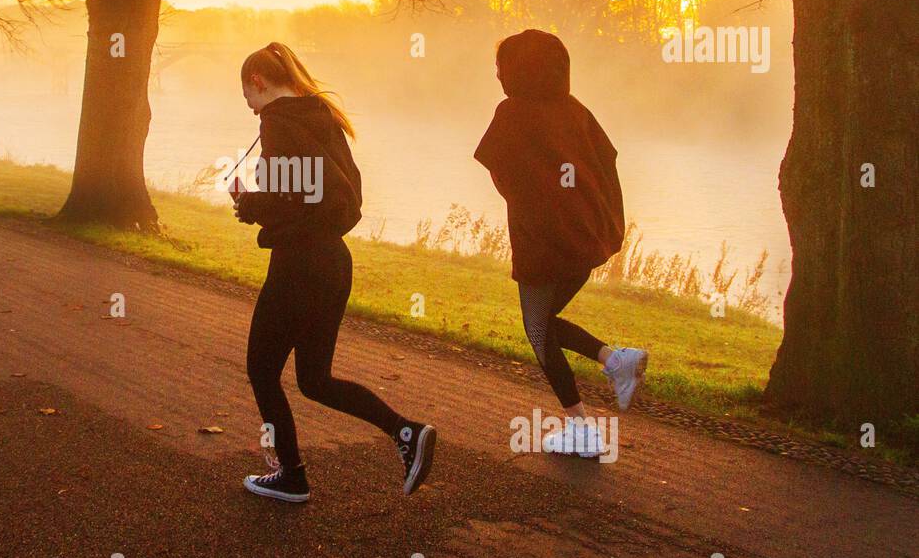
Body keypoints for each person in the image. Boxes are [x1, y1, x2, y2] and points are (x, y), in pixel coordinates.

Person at [231, 42, 435, 502]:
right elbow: (332, 194)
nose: (251, 108)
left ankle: (292, 476)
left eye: (248, 97)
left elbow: (285, 198)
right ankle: (406, 433)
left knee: (262, 371)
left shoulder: (277, 123)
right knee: (314, 380)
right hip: (333, 262)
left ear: (259, 82)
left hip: (299, 266)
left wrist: (248, 203)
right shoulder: (320, 118)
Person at [474, 30, 647, 457]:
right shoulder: (576, 111)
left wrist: (534, 200)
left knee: (537, 330)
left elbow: (503, 172)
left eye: (501, 66)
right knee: (546, 322)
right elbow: (606, 164)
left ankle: (584, 429)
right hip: (585, 240)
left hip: (544, 243)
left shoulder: (512, 113)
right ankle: (614, 360)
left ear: (518, 69)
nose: (497, 75)